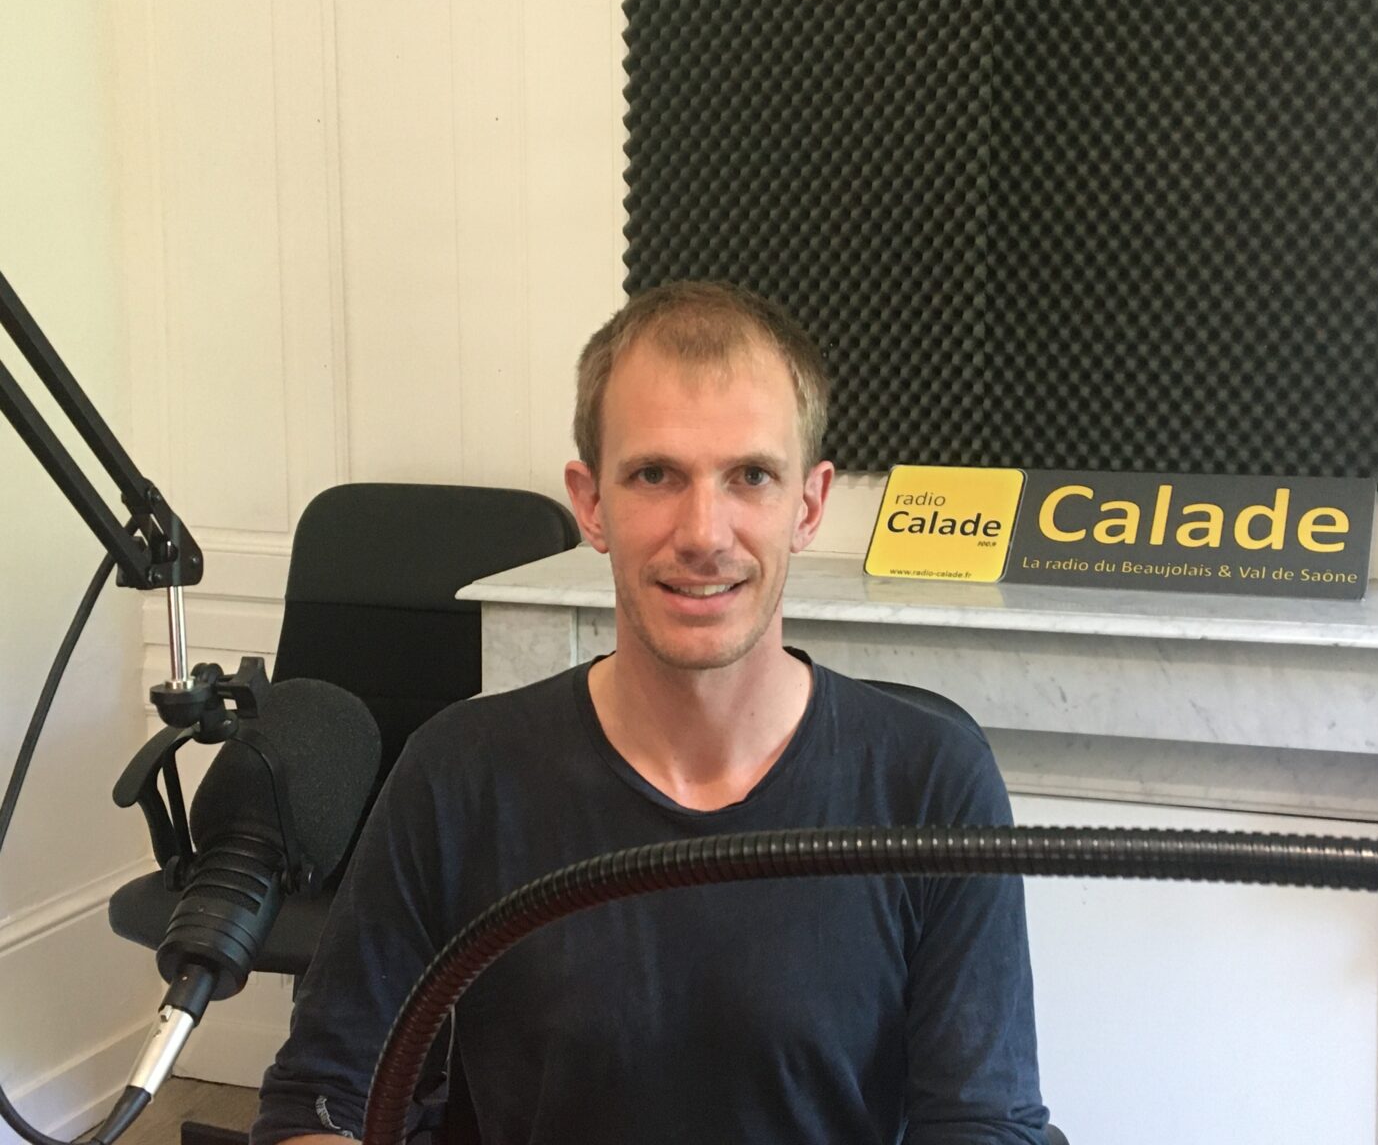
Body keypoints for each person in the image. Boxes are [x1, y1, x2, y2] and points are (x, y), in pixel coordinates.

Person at [252, 281, 1050, 1144]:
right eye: (655, 475)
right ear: (592, 503)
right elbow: (322, 1097)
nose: (704, 533)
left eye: (751, 476)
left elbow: (983, 1122)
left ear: (809, 505)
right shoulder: (459, 773)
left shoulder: (931, 784)